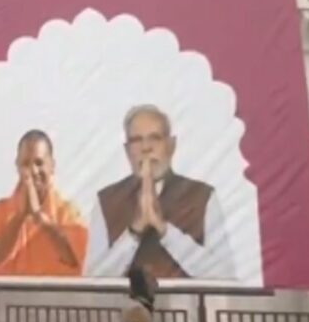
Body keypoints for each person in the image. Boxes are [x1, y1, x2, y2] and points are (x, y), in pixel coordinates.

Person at [84, 105, 234, 280]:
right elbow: (93, 281)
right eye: (136, 140)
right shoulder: (106, 200)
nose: (146, 148)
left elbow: (225, 277)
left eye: (154, 138)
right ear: (127, 151)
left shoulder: (202, 196)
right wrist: (134, 232)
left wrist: (165, 231)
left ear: (171, 146)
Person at [0, 130, 88, 276]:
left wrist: (41, 219)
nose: (33, 171)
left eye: (39, 163)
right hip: (8, 298)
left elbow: (77, 260)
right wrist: (19, 218)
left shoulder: (68, 212)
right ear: (17, 166)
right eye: (25, 164)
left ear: (52, 166)